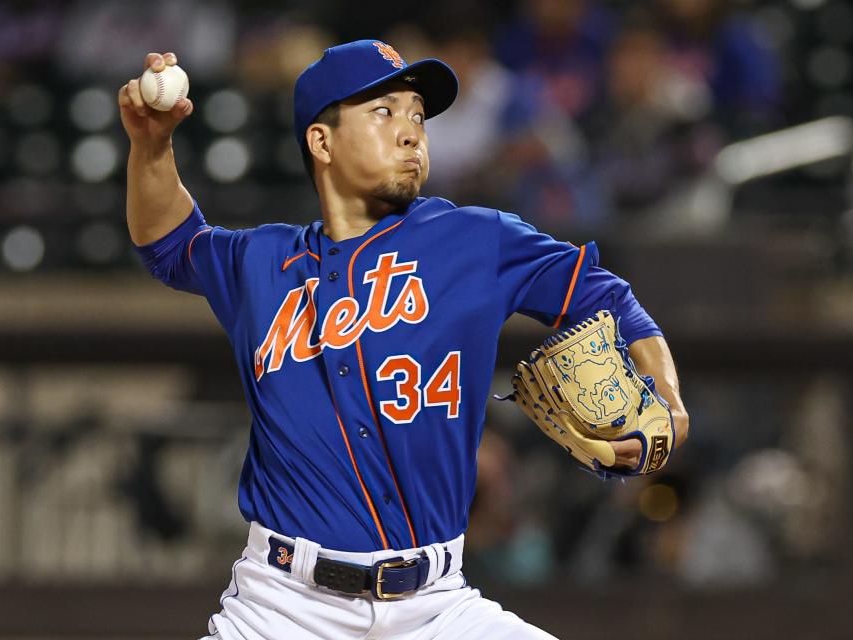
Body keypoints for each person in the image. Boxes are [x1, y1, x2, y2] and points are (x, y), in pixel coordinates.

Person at [118, 40, 689, 640]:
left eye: (418, 115)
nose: (411, 132)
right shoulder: (259, 263)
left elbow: (605, 296)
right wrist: (151, 145)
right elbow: (168, 244)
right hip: (281, 608)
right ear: (322, 141)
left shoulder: (475, 240)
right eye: (384, 112)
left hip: (437, 607)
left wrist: (669, 399)